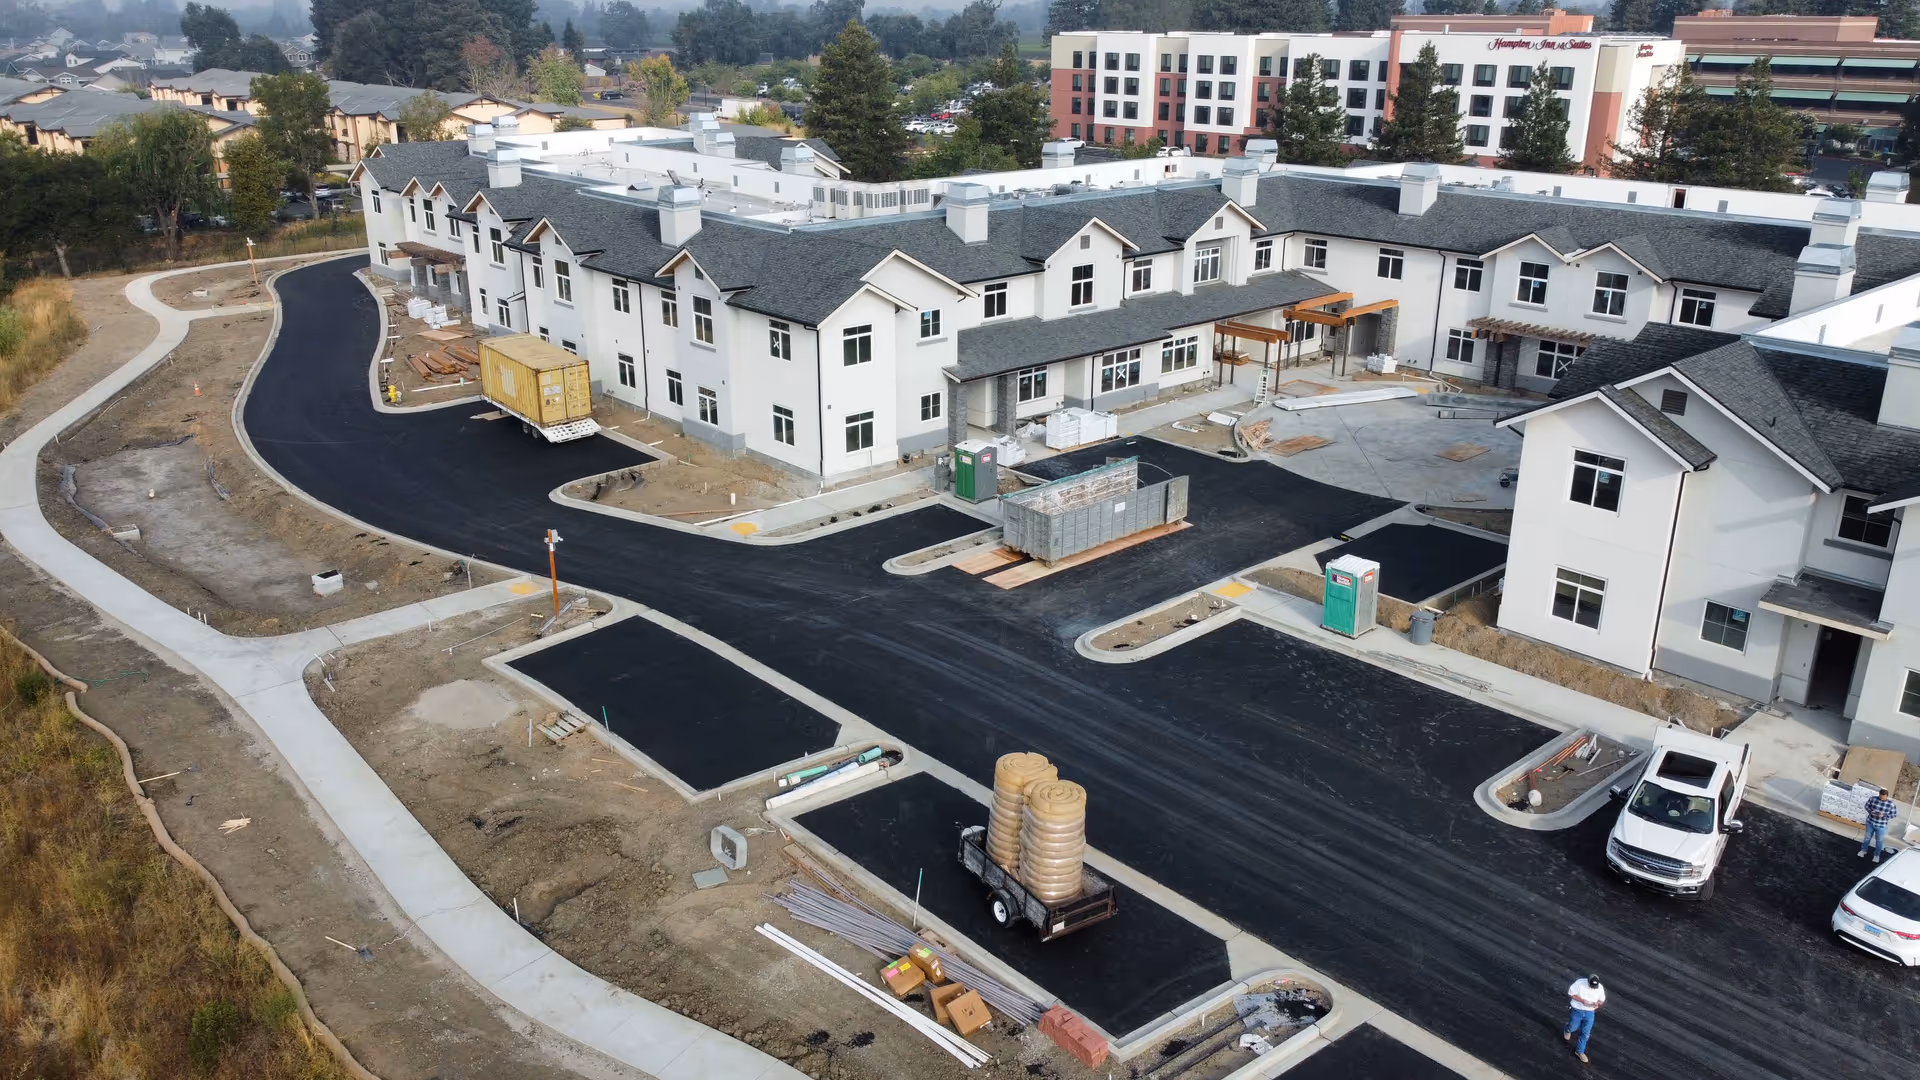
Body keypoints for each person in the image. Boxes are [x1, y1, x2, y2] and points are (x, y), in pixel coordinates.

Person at [1564, 974, 1605, 1064]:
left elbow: (1601, 1000)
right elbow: (1571, 993)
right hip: (1577, 1009)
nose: (1593, 988)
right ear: (1588, 981)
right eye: (1591, 986)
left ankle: (1579, 1051)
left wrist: (1597, 1004)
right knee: (1573, 1027)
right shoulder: (1579, 983)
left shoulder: (1600, 988)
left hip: (1590, 1012)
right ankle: (1567, 1029)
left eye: (1595, 986)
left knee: (1585, 1033)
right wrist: (1583, 1001)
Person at [1861, 788, 1898, 863]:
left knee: (1879, 841)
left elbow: (1894, 815)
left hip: (1881, 826)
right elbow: (1866, 806)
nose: (1881, 798)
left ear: (1886, 796)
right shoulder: (1873, 799)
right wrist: (1871, 812)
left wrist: (1884, 815)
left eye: (1883, 797)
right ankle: (1863, 850)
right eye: (1880, 796)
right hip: (1870, 822)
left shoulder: (1891, 804)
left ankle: (1876, 855)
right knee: (1867, 838)